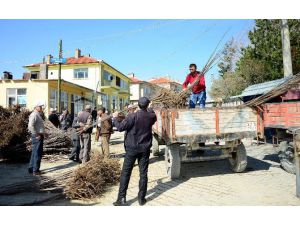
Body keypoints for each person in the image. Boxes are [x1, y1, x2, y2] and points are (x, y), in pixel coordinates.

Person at [112, 97, 157, 206]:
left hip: (132, 148)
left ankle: (121, 199)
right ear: (147, 105)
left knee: (126, 173)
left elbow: (120, 128)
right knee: (143, 173)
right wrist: (149, 108)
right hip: (145, 149)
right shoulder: (151, 116)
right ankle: (141, 199)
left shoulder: (132, 116)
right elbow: (151, 112)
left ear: (138, 105)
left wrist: (115, 118)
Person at [28, 101, 45, 176]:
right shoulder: (34, 114)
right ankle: (36, 170)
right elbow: (30, 126)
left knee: (35, 152)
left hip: (38, 135)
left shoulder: (37, 114)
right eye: (40, 106)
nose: (41, 107)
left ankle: (31, 169)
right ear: (36, 107)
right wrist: (37, 134)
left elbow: (38, 126)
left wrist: (44, 132)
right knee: (37, 153)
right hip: (37, 136)